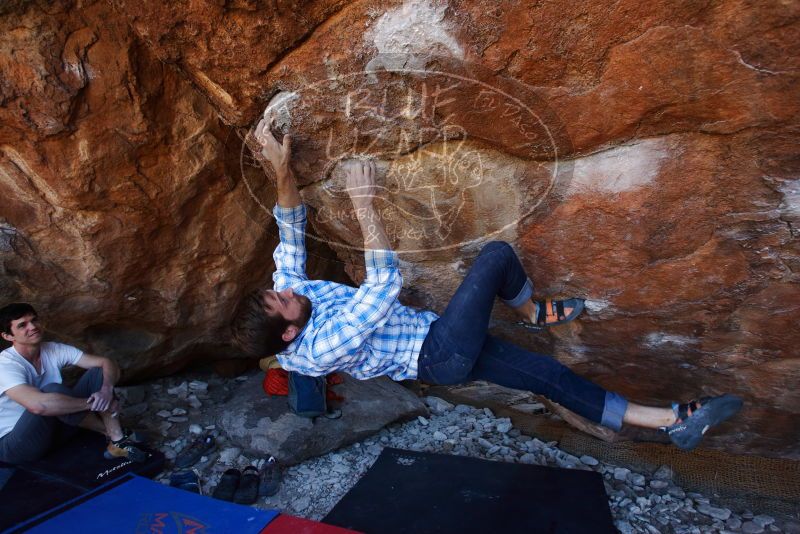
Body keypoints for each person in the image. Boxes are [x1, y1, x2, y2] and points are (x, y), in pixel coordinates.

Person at [232, 120, 742, 452]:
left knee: (547, 375)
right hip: (439, 354)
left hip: (441, 341)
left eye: (277, 291)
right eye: (280, 300)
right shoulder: (317, 350)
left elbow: (291, 228)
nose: (287, 290)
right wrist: (365, 205)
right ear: (287, 336)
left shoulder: (293, 304)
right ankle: (531, 313)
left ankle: (672, 423)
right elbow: (384, 285)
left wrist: (279, 166)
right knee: (495, 256)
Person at [0, 303, 146, 464]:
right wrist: (96, 404)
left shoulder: (52, 349)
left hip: (55, 431)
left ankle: (117, 439)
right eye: (22, 325)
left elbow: (106, 362)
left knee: (98, 372)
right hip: (17, 445)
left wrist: (106, 391)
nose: (33, 327)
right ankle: (109, 432)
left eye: (34, 320)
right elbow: (38, 406)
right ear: (8, 336)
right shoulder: (5, 365)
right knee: (51, 390)